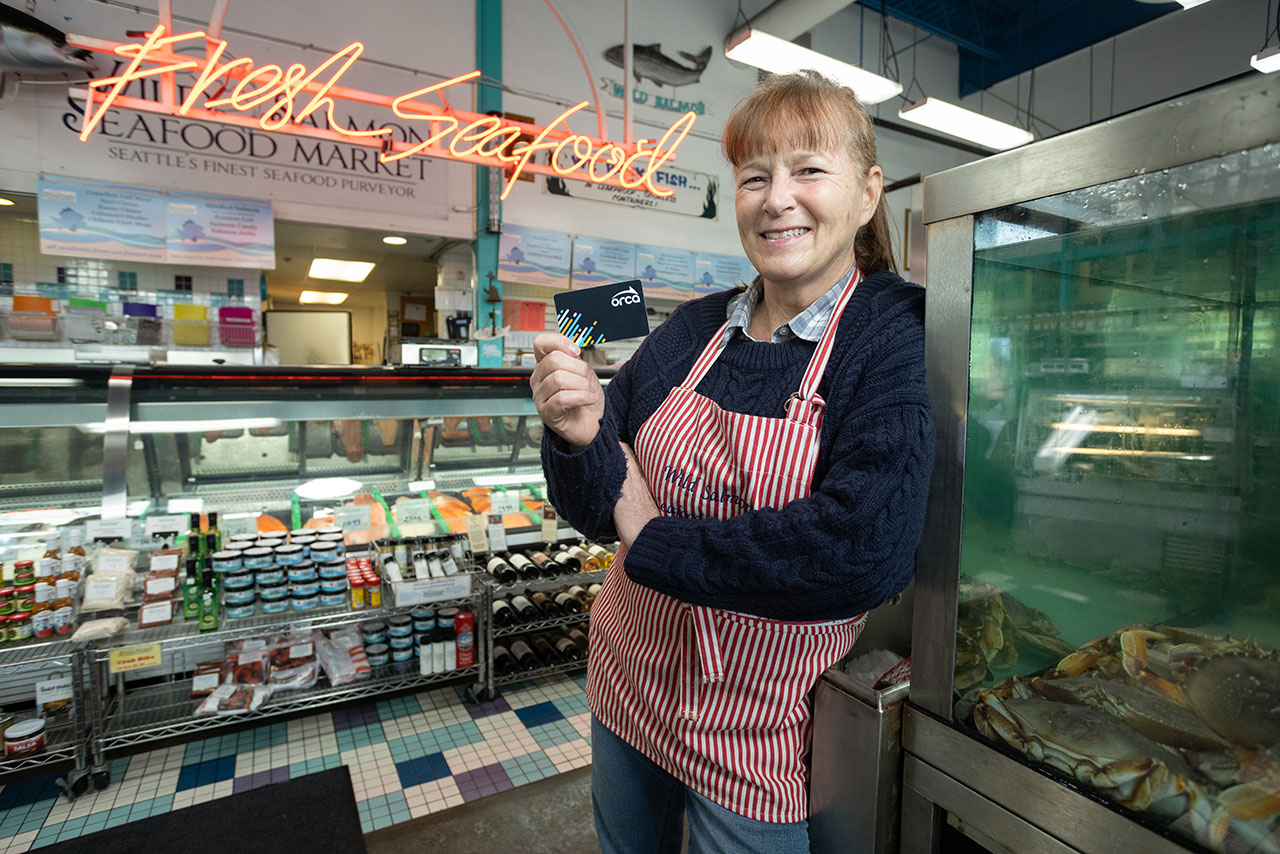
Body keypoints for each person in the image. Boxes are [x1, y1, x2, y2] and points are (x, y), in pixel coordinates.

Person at [530, 70, 934, 853]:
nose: (777, 197)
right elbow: (589, 498)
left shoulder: (889, 335)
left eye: (809, 170)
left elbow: (858, 550)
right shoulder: (690, 330)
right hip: (629, 680)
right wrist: (577, 436)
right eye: (755, 176)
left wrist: (648, 532)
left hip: (758, 727)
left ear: (868, 192)